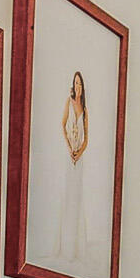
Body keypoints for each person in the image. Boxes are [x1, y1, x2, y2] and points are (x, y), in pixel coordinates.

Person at [51, 71, 92, 265]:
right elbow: (62, 125)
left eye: (80, 83)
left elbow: (87, 138)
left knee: (77, 197)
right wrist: (69, 149)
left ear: (83, 86)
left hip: (79, 158)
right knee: (66, 196)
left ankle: (75, 246)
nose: (78, 86)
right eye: (75, 83)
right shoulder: (69, 101)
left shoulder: (85, 109)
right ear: (72, 85)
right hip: (68, 155)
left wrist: (79, 153)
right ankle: (64, 246)